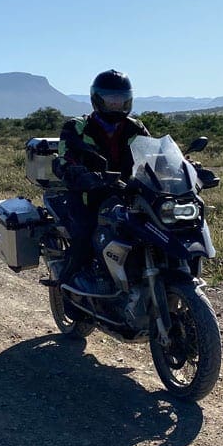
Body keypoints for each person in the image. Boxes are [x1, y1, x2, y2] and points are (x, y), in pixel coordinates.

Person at [53, 70, 151, 290]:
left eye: (121, 99)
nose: (116, 104)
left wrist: (184, 166)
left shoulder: (135, 127)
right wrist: (77, 173)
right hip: (89, 194)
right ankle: (68, 284)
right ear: (97, 99)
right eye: (110, 99)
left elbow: (154, 154)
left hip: (128, 192)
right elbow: (63, 158)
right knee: (84, 233)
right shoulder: (76, 127)